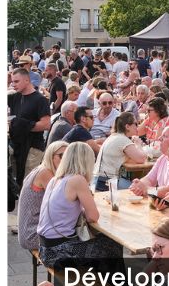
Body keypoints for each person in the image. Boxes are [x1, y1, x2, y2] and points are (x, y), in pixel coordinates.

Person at [29, 141, 116, 268]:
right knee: (112, 246)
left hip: (44, 247)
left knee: (101, 246)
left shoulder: (55, 179)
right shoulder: (78, 180)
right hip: (58, 251)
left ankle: (103, 283)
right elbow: (93, 216)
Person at [9, 66, 51, 207]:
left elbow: (46, 124)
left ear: (27, 80)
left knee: (28, 185)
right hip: (17, 146)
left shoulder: (40, 100)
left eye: (16, 81)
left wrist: (24, 124)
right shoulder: (14, 97)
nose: (13, 84)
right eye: (12, 81)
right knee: (19, 183)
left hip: (33, 147)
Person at [95, 109, 150, 190]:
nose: (137, 126)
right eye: (135, 123)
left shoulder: (114, 136)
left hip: (99, 180)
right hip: (108, 182)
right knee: (140, 189)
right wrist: (138, 144)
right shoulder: (123, 140)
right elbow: (142, 159)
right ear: (127, 126)